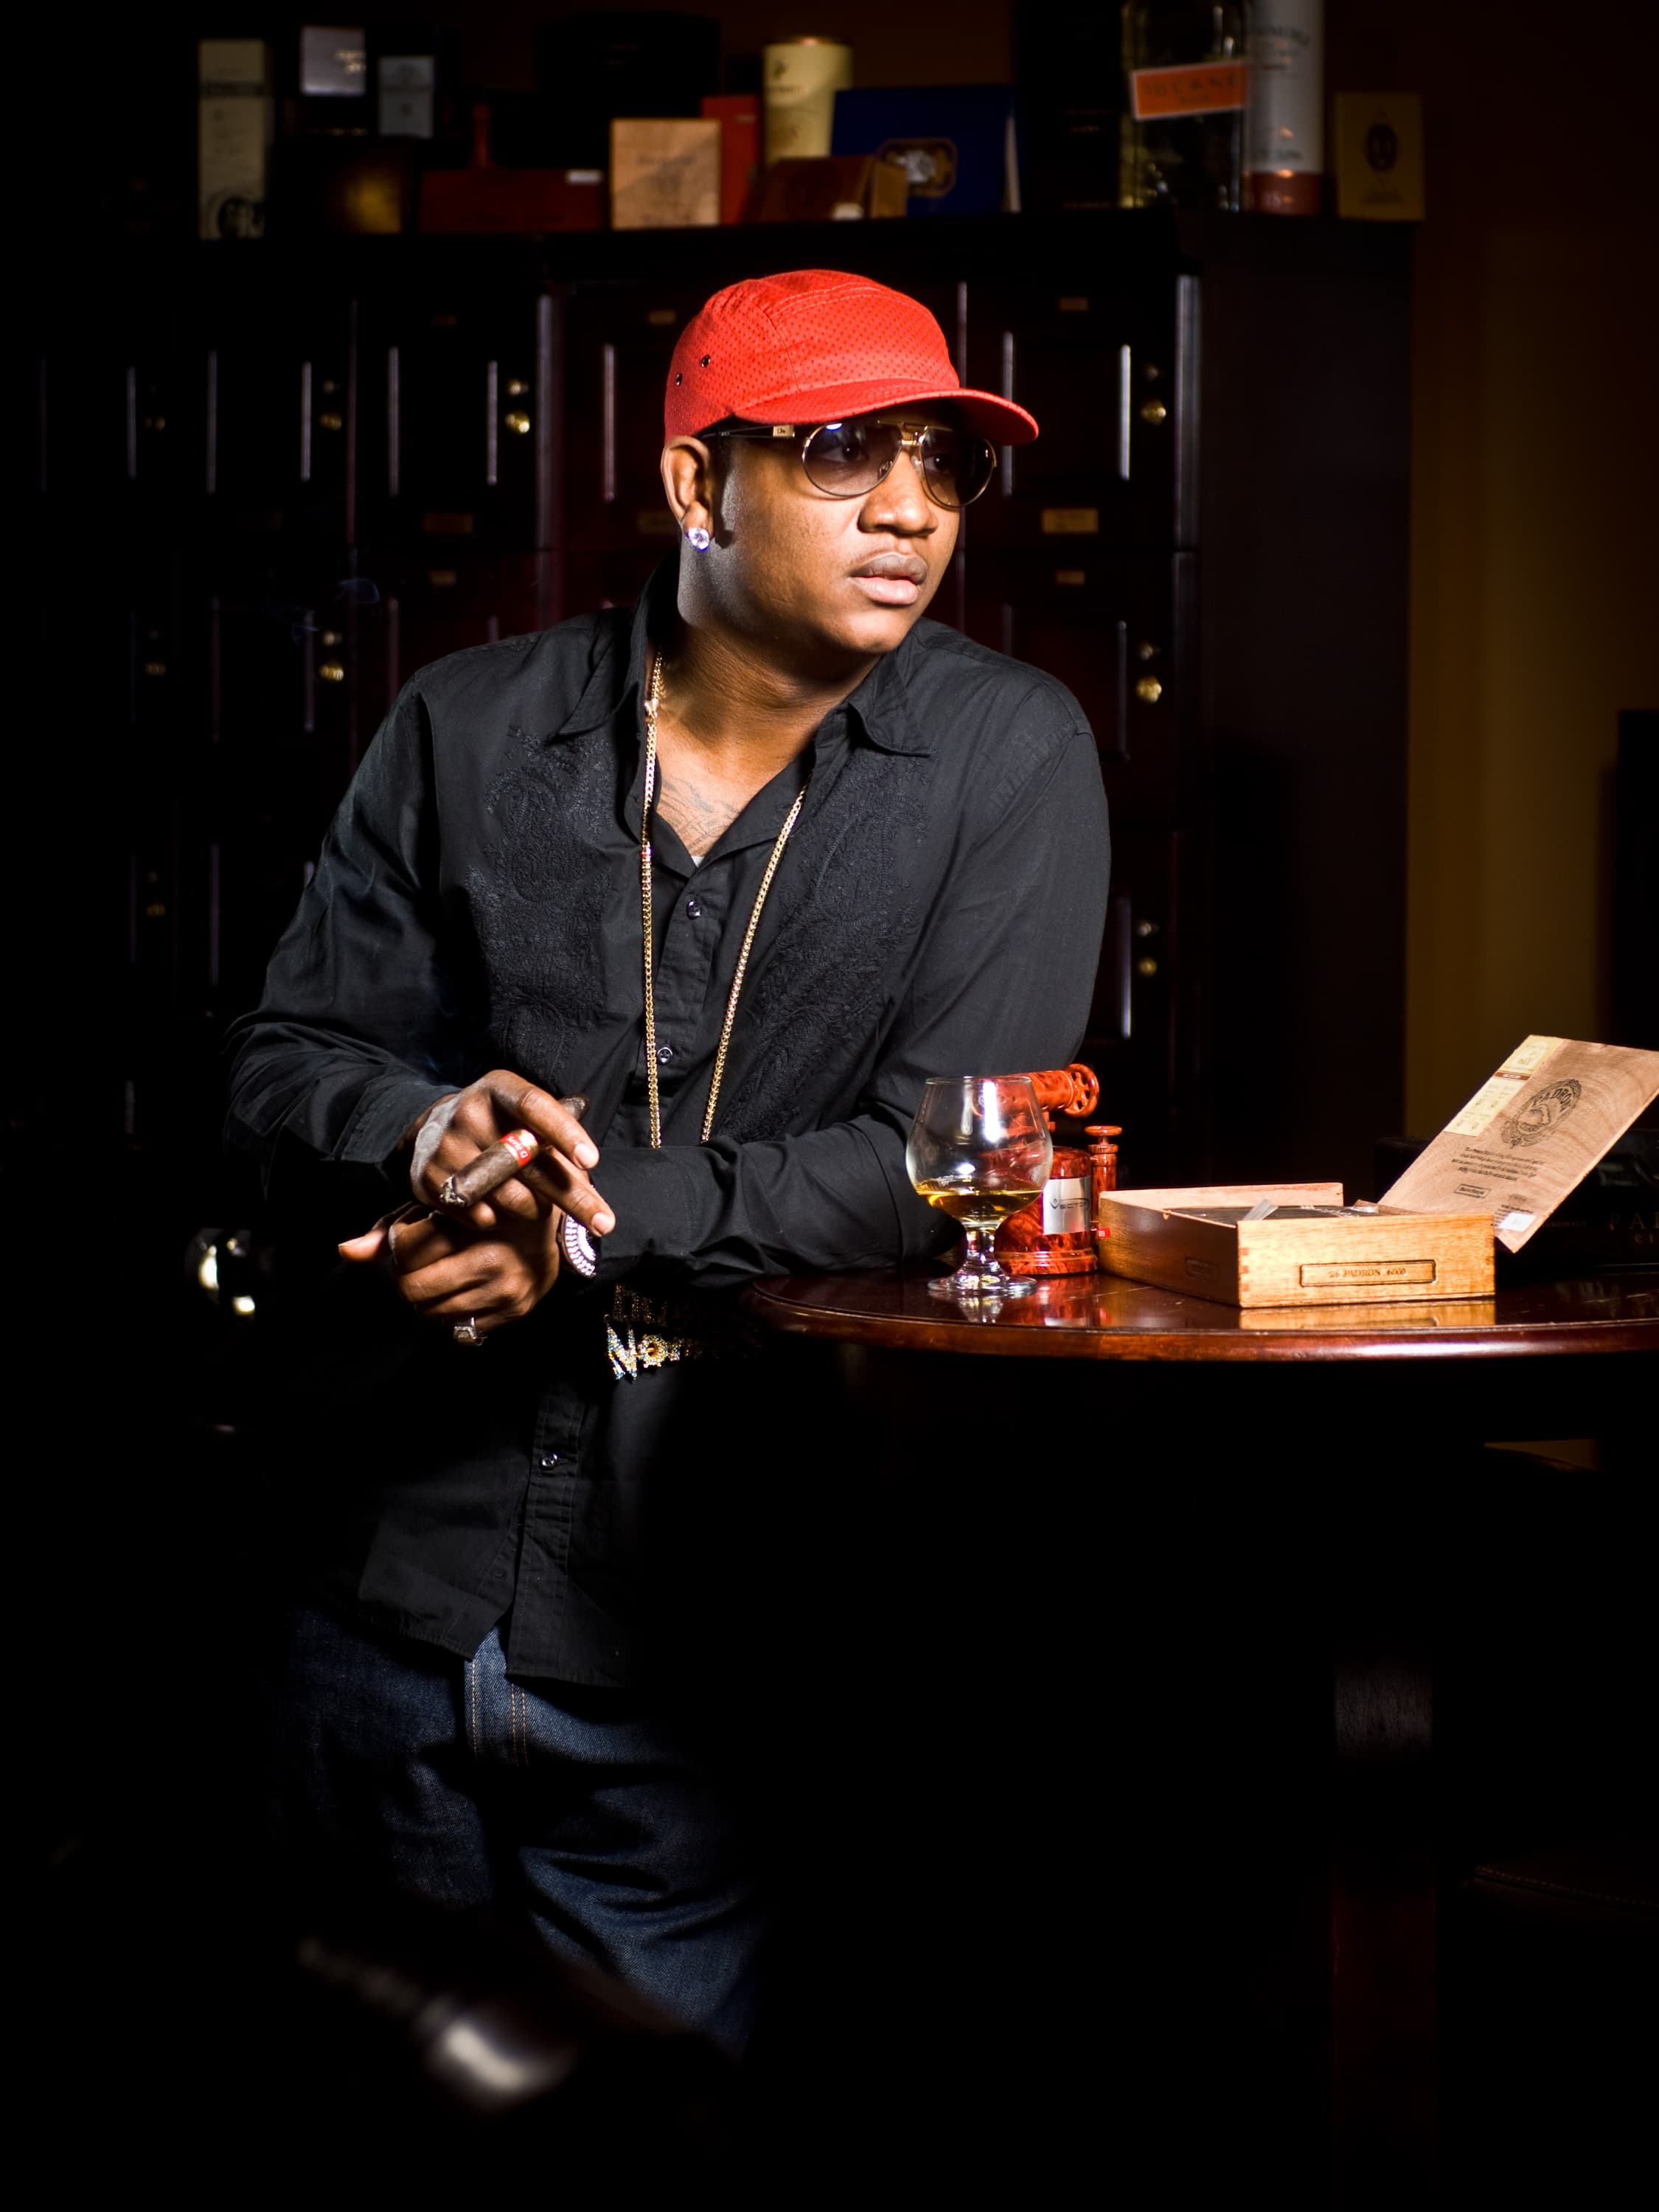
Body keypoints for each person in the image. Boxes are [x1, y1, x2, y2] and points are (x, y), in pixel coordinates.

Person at [226, 268, 1110, 2055]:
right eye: (846, 452)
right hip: (386, 1592)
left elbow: (945, 1159)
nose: (913, 511)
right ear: (698, 486)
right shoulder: (469, 726)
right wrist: (430, 1134)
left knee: (663, 2200)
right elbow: (288, 1054)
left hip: (723, 1624)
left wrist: (572, 1223)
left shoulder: (1007, 758)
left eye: (946, 465)